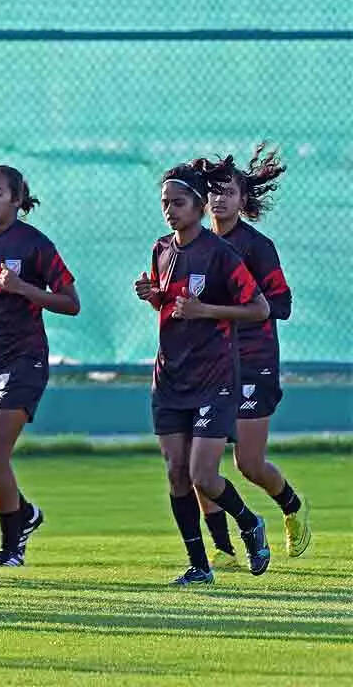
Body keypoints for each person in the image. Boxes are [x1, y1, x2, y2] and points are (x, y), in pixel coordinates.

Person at [134, 157, 273, 585]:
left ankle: (249, 522)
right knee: (176, 473)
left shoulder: (221, 255)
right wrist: (153, 296)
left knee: (203, 475)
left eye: (178, 202)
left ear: (198, 205)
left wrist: (205, 310)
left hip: (215, 378)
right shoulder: (161, 249)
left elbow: (259, 309)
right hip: (170, 376)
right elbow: (173, 306)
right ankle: (199, 566)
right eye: (164, 202)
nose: (169, 210)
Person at [0, 165, 80, 567]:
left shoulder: (34, 245)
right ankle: (24, 514)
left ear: (16, 199)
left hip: (23, 358)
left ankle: (12, 548)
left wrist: (24, 288)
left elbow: (71, 303)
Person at [196, 143, 310, 567]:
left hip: (252, 361)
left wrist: (233, 304)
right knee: (197, 460)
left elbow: (281, 304)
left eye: (229, 192)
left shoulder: (256, 247)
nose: (219, 199)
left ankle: (293, 507)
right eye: (213, 191)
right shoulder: (193, 244)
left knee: (248, 463)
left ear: (243, 199)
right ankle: (223, 549)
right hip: (208, 364)